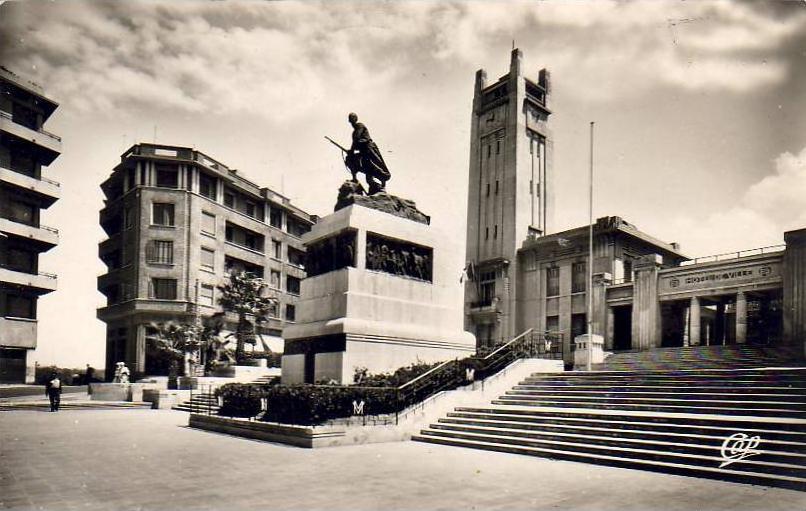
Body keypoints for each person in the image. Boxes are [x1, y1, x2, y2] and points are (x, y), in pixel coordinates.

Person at [345, 113, 391, 194]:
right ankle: (356, 179)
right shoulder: (354, 131)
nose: (351, 121)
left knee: (374, 165)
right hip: (363, 152)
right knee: (351, 160)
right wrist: (351, 151)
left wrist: (351, 150)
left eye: (352, 118)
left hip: (369, 149)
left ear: (355, 119)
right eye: (350, 119)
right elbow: (356, 143)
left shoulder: (360, 126)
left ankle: (382, 181)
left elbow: (357, 139)